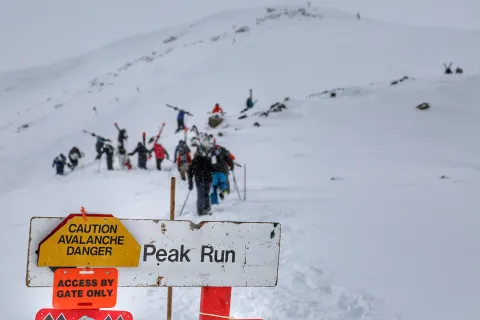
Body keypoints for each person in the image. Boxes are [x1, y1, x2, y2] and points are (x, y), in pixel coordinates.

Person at [188, 146, 215, 216]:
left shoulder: (204, 159)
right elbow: (190, 172)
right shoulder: (196, 161)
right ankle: (201, 210)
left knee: (204, 194)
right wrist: (190, 183)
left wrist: (214, 167)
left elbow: (212, 168)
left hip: (206, 179)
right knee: (202, 195)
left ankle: (206, 208)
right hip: (202, 180)